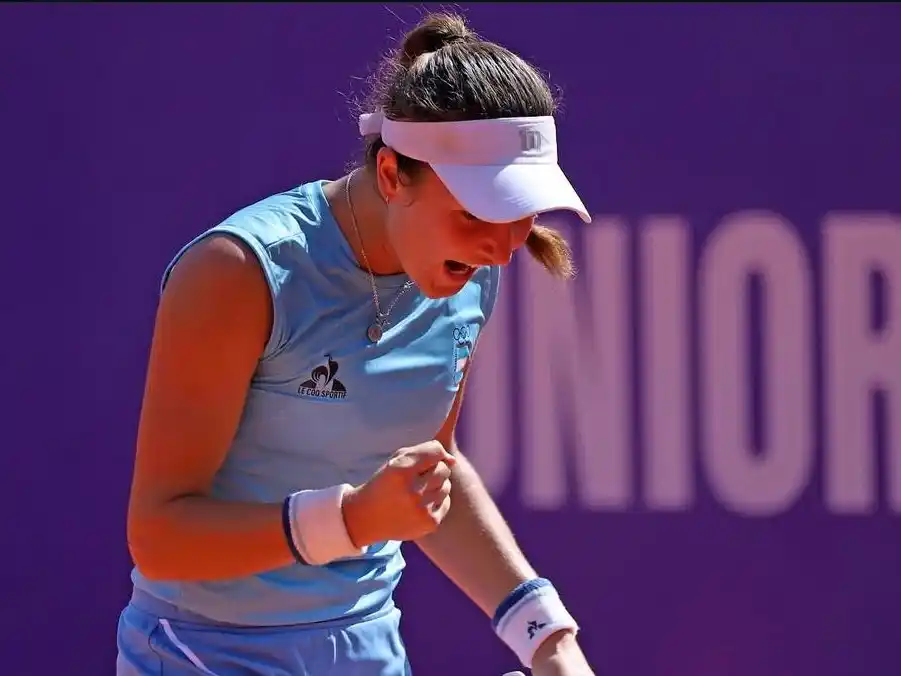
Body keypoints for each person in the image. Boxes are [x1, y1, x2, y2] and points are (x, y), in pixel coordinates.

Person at [116, 11, 594, 676]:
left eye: (521, 218)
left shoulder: (470, 273)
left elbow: (432, 473)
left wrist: (547, 640)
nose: (502, 248)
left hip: (366, 648)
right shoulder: (238, 272)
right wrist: (350, 519)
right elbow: (161, 537)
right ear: (393, 174)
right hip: (203, 653)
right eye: (477, 214)